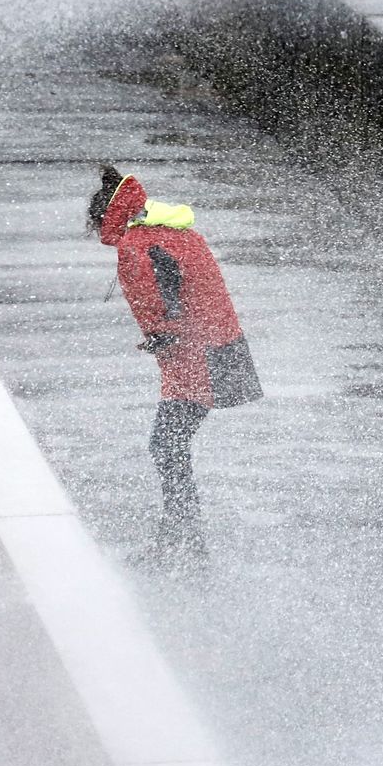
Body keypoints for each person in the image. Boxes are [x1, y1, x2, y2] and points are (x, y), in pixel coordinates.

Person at [88, 164, 262, 550]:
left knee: (166, 443)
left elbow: (165, 301)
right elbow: (189, 291)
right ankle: (181, 528)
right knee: (171, 442)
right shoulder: (178, 233)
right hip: (220, 345)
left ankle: (183, 534)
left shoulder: (138, 246)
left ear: (106, 215)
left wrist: (161, 337)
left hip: (194, 356)